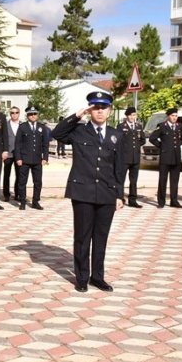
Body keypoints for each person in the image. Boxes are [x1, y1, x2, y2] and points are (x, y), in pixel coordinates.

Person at [52, 91, 125, 293]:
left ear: (110, 111)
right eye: (95, 107)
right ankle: (82, 277)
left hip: (106, 193)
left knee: (101, 238)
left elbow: (119, 168)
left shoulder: (116, 135)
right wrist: (76, 116)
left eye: (103, 108)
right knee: (82, 237)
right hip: (82, 192)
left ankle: (97, 277)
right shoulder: (79, 131)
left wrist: (119, 194)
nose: (99, 111)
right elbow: (56, 134)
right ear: (90, 110)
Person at [149, 107, 182, 208]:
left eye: (176, 116)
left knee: (174, 180)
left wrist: (177, 145)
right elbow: (153, 138)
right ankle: (161, 201)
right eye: (172, 116)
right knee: (163, 180)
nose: (174, 118)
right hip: (165, 156)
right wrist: (162, 146)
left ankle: (174, 201)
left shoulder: (179, 126)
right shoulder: (162, 126)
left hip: (176, 156)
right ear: (168, 116)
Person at [15, 104, 49, 210]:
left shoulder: (42, 127)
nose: (33, 116)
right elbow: (18, 144)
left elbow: (45, 144)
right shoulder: (22, 127)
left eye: (35, 114)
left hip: (37, 160)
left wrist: (45, 158)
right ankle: (22, 202)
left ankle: (35, 202)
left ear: (37, 115)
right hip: (24, 159)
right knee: (22, 182)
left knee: (38, 182)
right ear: (27, 116)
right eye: (31, 114)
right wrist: (18, 158)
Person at [117, 106, 145, 208]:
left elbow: (142, 140)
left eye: (134, 115)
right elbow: (118, 141)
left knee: (133, 181)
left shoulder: (138, 126)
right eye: (131, 115)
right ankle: (120, 199)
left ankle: (132, 200)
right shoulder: (121, 127)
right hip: (124, 158)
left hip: (135, 158)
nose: (133, 117)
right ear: (127, 116)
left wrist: (136, 147)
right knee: (121, 179)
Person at [3, 106, 21, 202]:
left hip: (19, 154)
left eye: (16, 112)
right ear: (10, 114)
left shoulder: (22, 125)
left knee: (19, 175)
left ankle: (17, 194)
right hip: (8, 153)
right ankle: (6, 194)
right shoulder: (5, 125)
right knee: (7, 175)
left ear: (19, 113)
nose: (14, 114)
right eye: (12, 113)